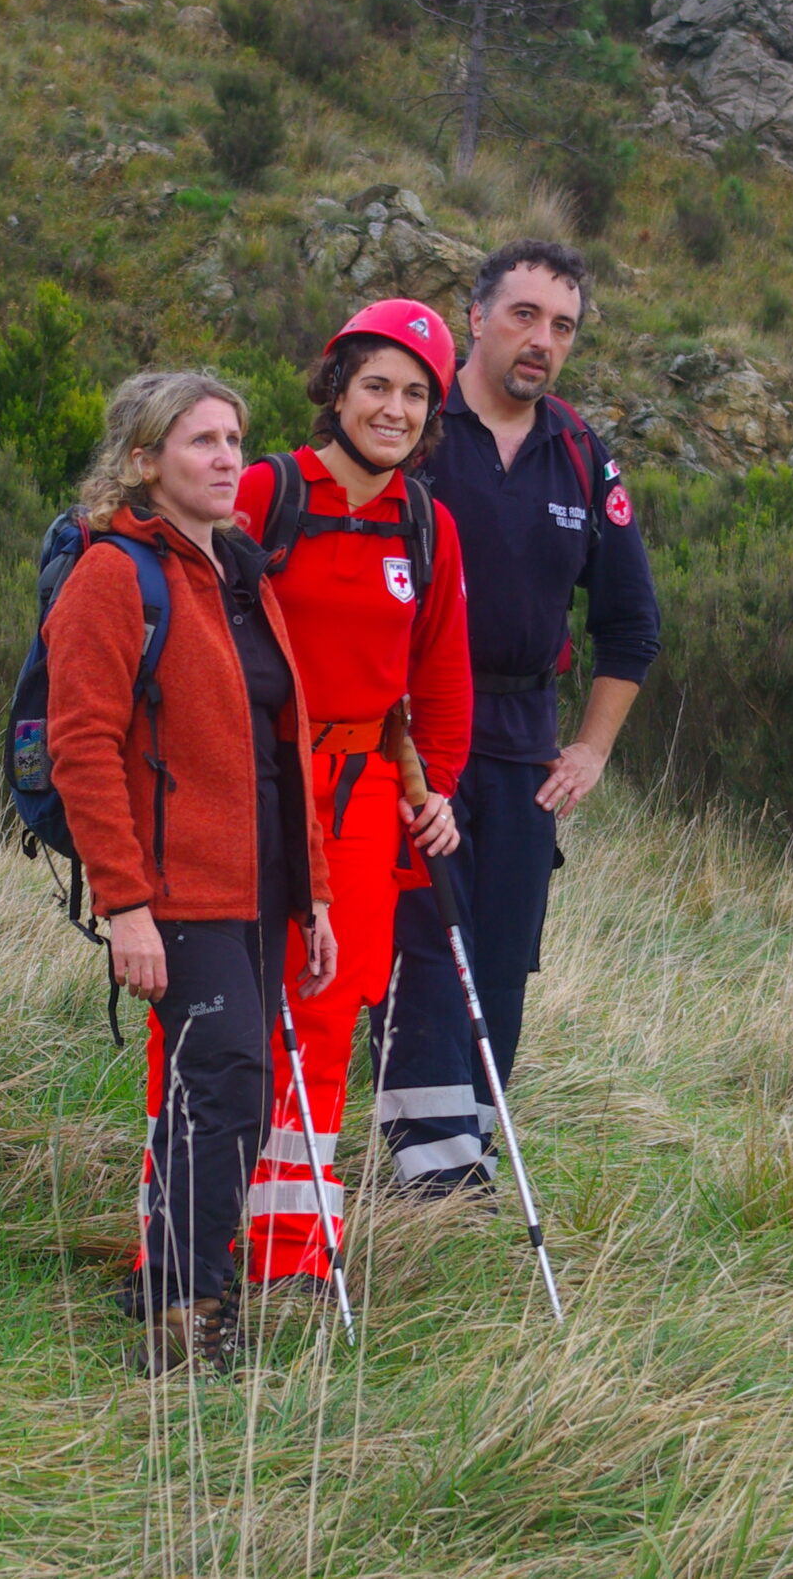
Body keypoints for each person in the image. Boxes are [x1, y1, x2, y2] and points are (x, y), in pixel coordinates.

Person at [43, 371, 335, 1372]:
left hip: (256, 890)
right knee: (230, 1084)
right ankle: (184, 1313)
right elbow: (82, 744)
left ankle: (172, 1283)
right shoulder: (115, 577)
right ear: (142, 461)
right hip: (175, 893)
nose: (225, 457)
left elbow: (281, 747)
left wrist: (317, 896)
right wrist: (123, 902)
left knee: (223, 1096)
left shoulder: (242, 576)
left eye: (234, 439)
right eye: (199, 439)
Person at [378, 240, 662, 1189]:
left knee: (498, 969)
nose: (542, 341)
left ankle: (468, 1157)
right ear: (477, 317)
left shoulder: (580, 454)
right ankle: (434, 1182)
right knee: (421, 954)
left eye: (563, 327)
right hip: (409, 745)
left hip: (523, 754)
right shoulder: (415, 428)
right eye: (524, 317)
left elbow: (632, 629)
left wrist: (589, 751)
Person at [225, 300, 473, 1287]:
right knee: (220, 1013)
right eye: (377, 384)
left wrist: (435, 793)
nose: (395, 408)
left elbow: (443, 683)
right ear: (335, 389)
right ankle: (186, 1246)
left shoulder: (426, 524)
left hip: (364, 802)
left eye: (416, 395)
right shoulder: (261, 493)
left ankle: (291, 1255)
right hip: (249, 788)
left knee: (327, 1018)